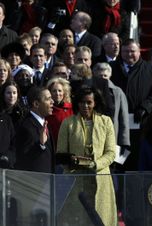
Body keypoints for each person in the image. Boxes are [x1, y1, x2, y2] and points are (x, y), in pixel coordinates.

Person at [56, 86, 117, 226]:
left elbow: (111, 153)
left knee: (101, 220)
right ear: (77, 103)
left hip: (101, 180)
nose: (85, 106)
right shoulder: (68, 123)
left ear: (95, 103)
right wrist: (73, 161)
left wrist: (95, 164)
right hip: (75, 181)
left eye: (89, 102)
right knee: (76, 219)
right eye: (82, 102)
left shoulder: (106, 121)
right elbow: (60, 153)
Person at [110, 38, 152, 170]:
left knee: (139, 158)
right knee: (119, 160)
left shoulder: (151, 70)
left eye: (132, 51)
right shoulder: (112, 68)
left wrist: (145, 107)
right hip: (117, 124)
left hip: (142, 123)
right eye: (126, 51)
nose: (129, 54)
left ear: (139, 51)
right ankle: (120, 184)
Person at [15, 86, 55, 173]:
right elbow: (22, 159)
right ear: (36, 104)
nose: (52, 102)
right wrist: (40, 145)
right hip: (34, 182)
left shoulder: (44, 123)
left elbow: (49, 154)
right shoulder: (25, 126)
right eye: (48, 99)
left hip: (48, 180)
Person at [46, 77, 73, 147]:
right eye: (54, 91)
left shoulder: (72, 108)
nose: (57, 93)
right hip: (53, 146)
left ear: (64, 92)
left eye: (60, 91)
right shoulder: (46, 110)